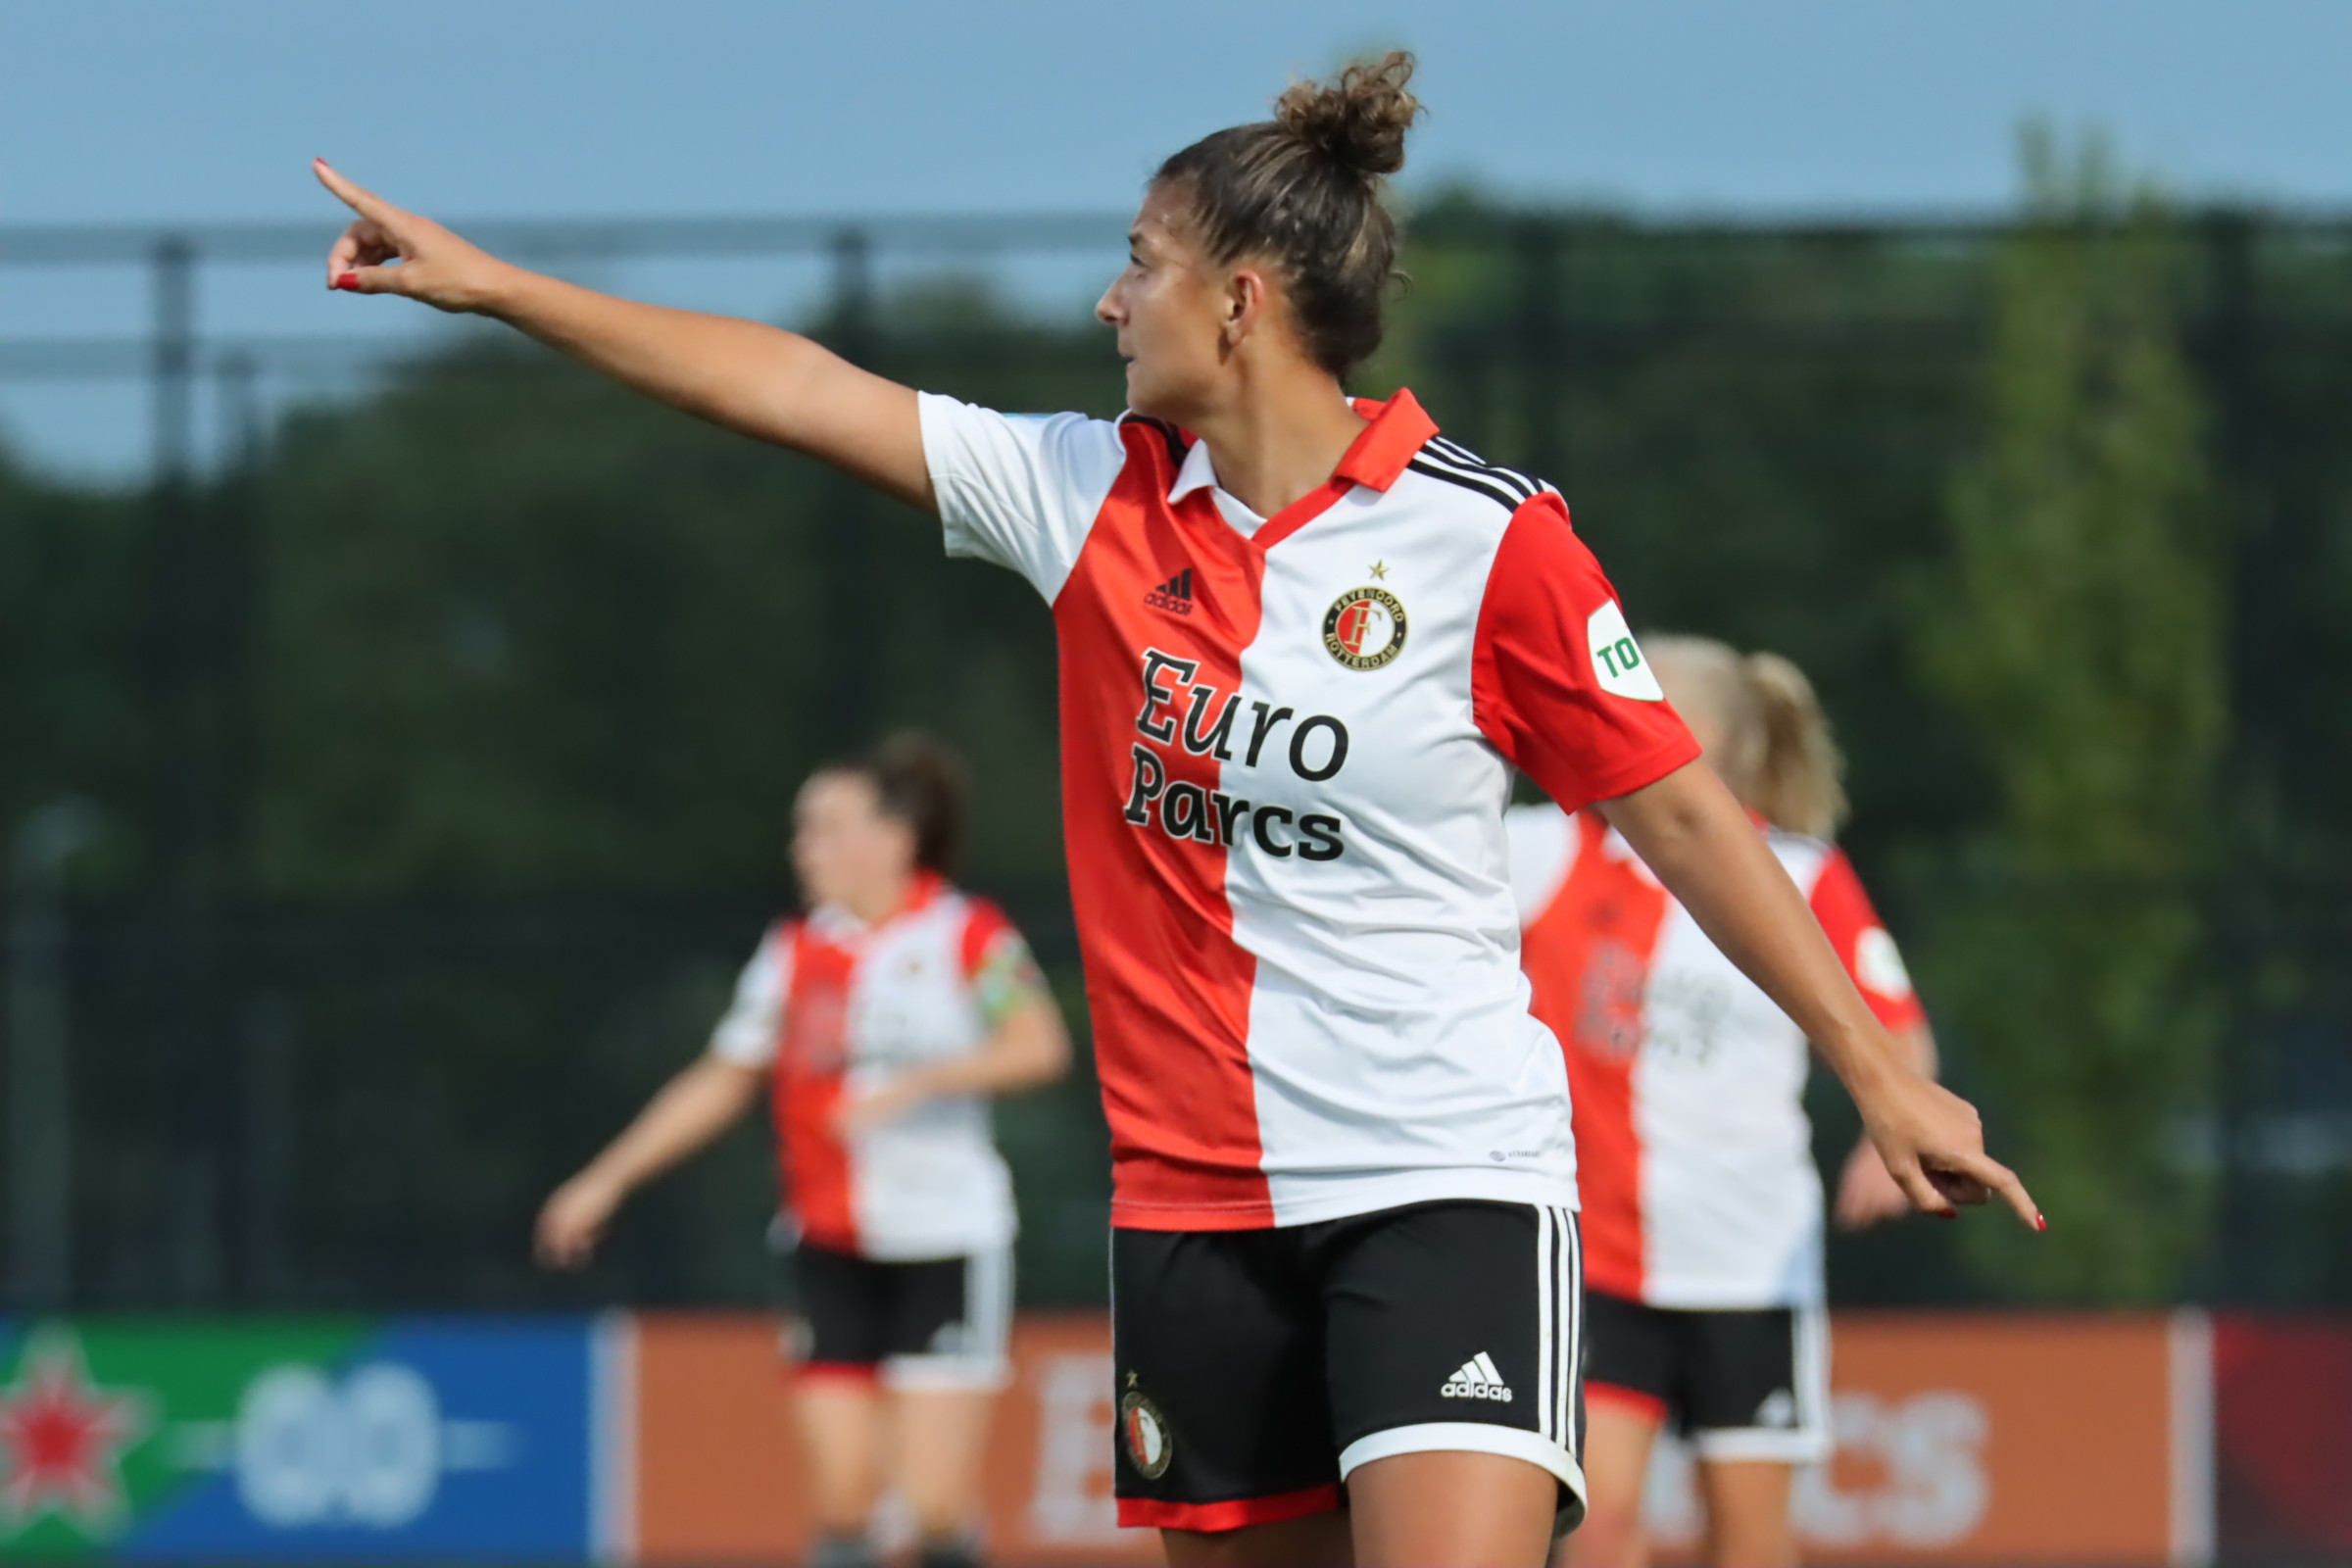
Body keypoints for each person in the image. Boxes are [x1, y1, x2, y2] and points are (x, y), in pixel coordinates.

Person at [318, 49, 2036, 1568]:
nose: (1106, 302)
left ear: (1242, 302)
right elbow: (790, 385)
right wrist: (500, 290)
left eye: (1136, 265)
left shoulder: (1490, 538)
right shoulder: (1086, 499)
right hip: (1192, 1212)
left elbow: (1680, 817)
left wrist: (1879, 1071)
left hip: (1448, 1177)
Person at [534, 735, 1071, 1568]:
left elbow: (1039, 1046)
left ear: (893, 839)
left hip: (946, 1243)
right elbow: (722, 1077)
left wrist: (913, 1084)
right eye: (802, 829)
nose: (803, 848)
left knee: (932, 1507)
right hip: (826, 1244)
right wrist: (603, 1181)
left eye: (824, 827)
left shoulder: (970, 934)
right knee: (843, 1499)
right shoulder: (792, 952)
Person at [1507, 638, 1934, 1568]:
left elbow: (1898, 1030)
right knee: (1599, 1522)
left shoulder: (1804, 876)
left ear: (1686, 733)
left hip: (1749, 1265)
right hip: (1597, 1265)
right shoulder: (1552, 852)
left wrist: (1886, 1134)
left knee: (1747, 1542)